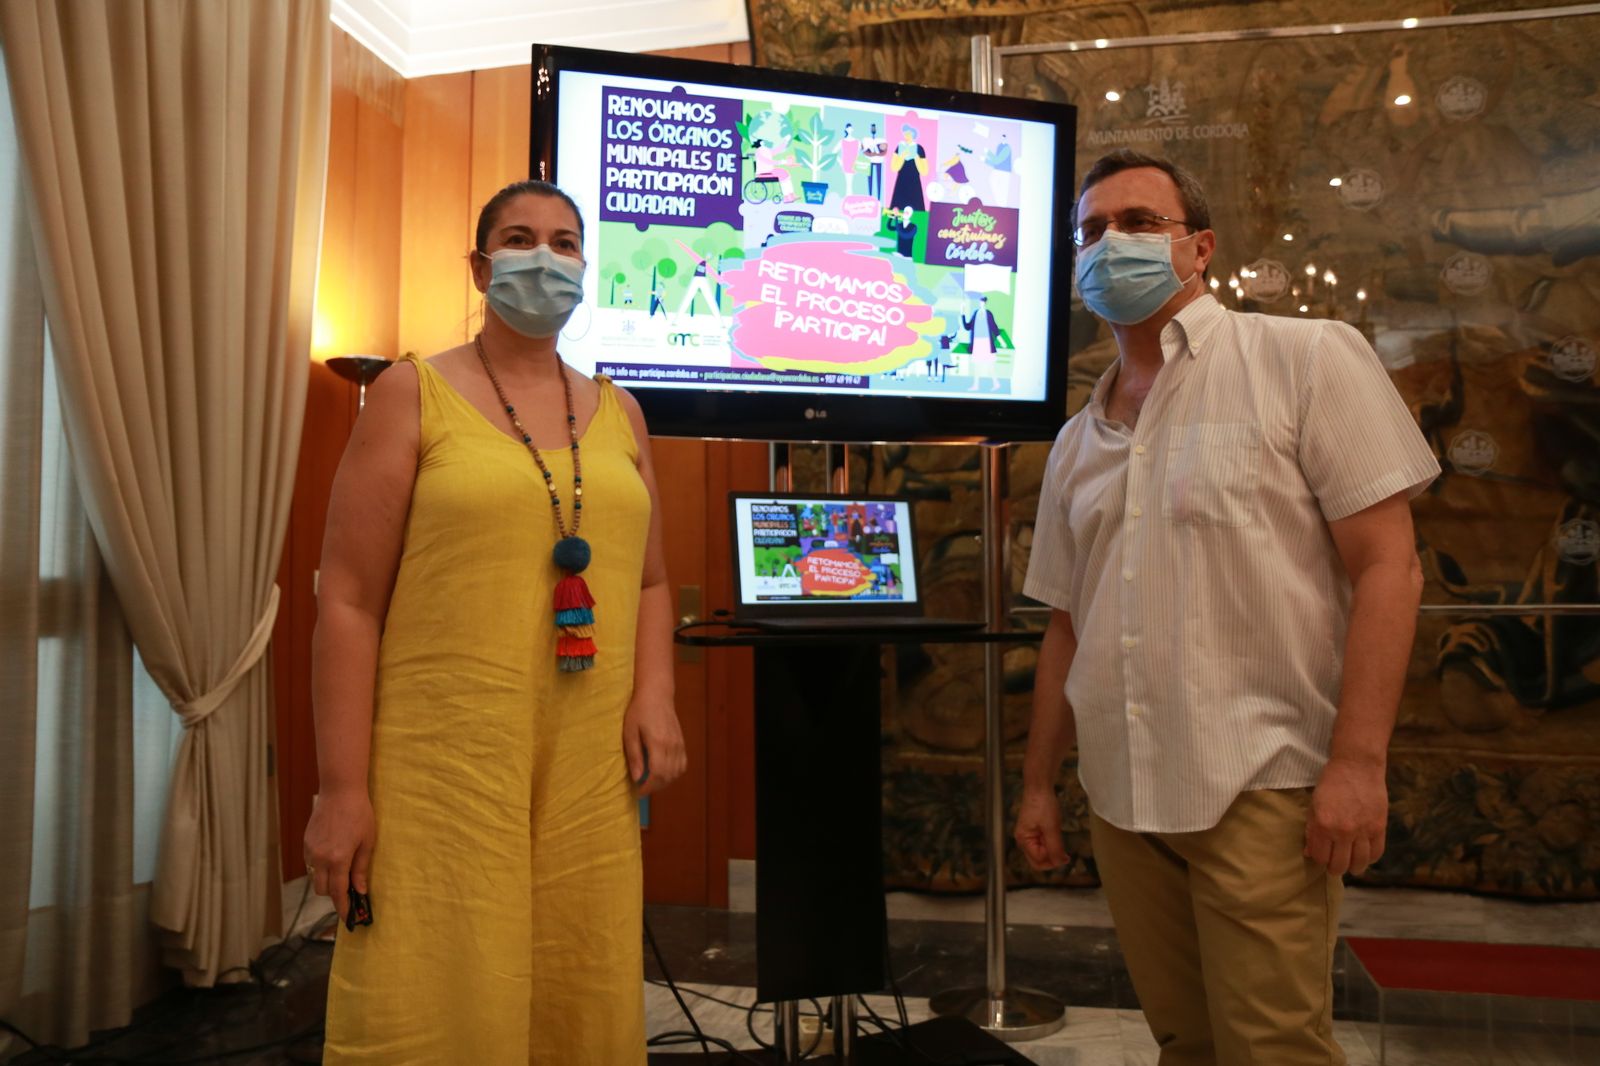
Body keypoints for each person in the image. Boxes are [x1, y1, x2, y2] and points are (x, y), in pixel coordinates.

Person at [1015, 149, 1439, 1066]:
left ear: (1199, 247)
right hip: (1125, 800)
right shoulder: (1077, 441)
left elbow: (1390, 569)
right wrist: (1041, 782)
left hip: (1260, 789)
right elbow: (1066, 623)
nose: (1107, 246)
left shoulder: (1305, 359)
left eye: (1136, 224)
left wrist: (1359, 764)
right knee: (1188, 1044)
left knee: (1272, 1049)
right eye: (1090, 232)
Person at [304, 179, 688, 1065]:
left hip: (588, 769)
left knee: (576, 988)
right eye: (520, 239)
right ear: (480, 267)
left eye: (564, 242)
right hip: (441, 767)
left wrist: (657, 697)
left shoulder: (621, 410)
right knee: (438, 993)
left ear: (585, 266)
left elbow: (654, 581)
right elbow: (349, 600)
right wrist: (341, 789)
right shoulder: (410, 393)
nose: (543, 258)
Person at [962, 294, 1001, 391]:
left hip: (986, 342)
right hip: (977, 343)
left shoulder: (988, 313)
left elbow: (994, 327)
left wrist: (1001, 340)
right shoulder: (975, 313)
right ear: (979, 302)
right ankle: (976, 385)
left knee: (990, 364)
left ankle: (996, 384)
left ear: (985, 303)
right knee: (977, 365)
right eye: (980, 301)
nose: (981, 303)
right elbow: (967, 327)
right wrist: (962, 313)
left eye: (983, 301)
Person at [888, 123, 928, 212]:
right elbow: (894, 168)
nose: (906, 136)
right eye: (905, 134)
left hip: (915, 183)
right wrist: (902, 156)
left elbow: (924, 171)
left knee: (916, 208)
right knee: (898, 208)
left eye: (908, 134)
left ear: (913, 134)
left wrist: (916, 157)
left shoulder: (919, 148)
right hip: (901, 182)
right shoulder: (900, 147)